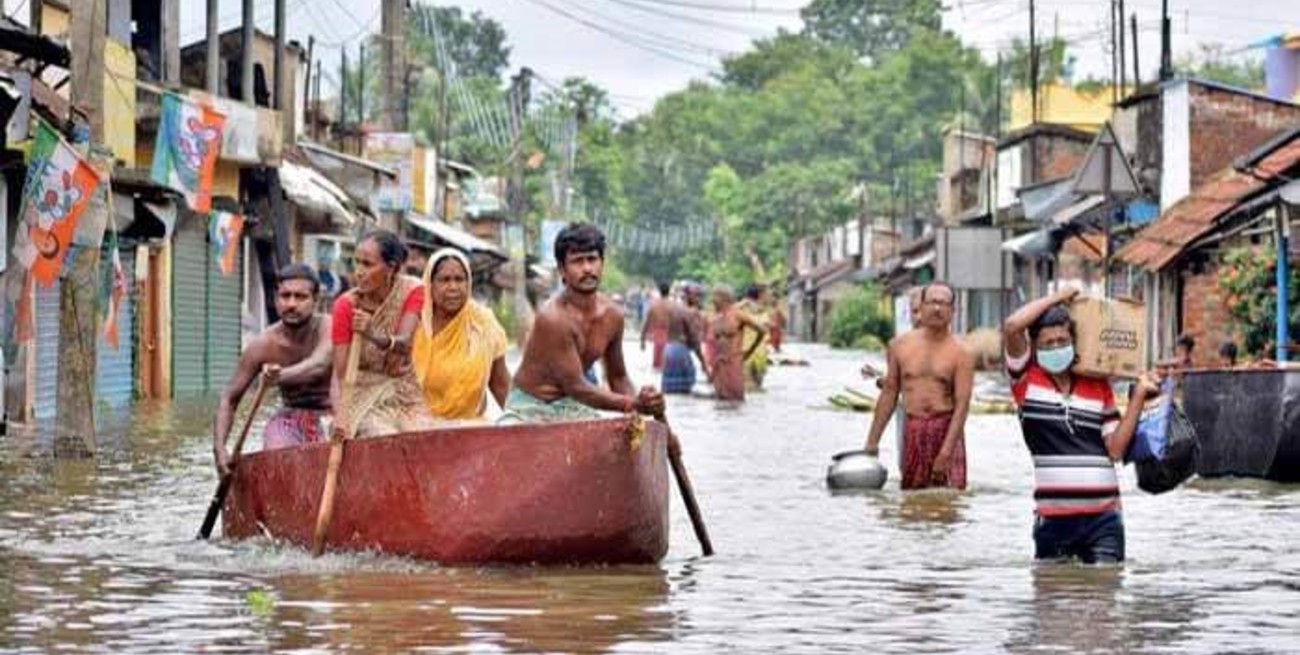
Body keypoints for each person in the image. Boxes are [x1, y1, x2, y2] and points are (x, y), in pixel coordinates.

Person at [1003, 288, 1161, 564]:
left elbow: (1115, 450)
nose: (1055, 347)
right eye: (1047, 343)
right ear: (1035, 348)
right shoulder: (1026, 382)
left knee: (1103, 594)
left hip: (1104, 520)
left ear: (1074, 343)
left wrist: (1136, 399)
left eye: (1062, 340)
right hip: (1053, 523)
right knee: (1052, 601)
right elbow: (1012, 326)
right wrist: (1057, 297)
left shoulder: (1098, 386)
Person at [505, 223, 664, 423]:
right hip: (529, 407)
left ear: (602, 263)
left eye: (592, 259)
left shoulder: (613, 315)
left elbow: (618, 377)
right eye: (577, 261)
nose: (587, 268)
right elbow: (577, 387)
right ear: (562, 269)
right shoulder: (552, 318)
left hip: (571, 406)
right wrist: (630, 405)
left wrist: (643, 408)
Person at [213, 265, 333, 475]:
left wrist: (279, 376)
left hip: (335, 415)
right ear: (276, 299)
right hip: (292, 418)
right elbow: (229, 399)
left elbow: (319, 365)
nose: (291, 304)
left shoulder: (328, 327)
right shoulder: (263, 345)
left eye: (300, 297)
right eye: (285, 296)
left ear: (316, 300)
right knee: (278, 459)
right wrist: (219, 448)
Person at [863, 282, 975, 490]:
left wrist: (946, 452)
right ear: (920, 308)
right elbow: (889, 394)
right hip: (913, 428)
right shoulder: (899, 346)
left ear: (953, 311)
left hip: (946, 430)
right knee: (912, 501)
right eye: (932, 302)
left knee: (948, 502)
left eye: (943, 304)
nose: (937, 309)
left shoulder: (962, 353)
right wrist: (872, 442)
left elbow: (962, 406)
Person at [330, 230, 436, 438]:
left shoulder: (413, 290)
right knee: (382, 437)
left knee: (425, 438)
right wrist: (340, 415)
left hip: (404, 391)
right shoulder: (345, 305)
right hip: (361, 395)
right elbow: (340, 373)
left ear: (392, 267)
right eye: (357, 263)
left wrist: (372, 333)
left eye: (368, 264)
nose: (359, 272)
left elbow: (405, 344)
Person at [411, 248, 510, 422]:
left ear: (468, 282)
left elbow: (500, 385)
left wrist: (517, 428)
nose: (453, 287)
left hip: (469, 430)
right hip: (417, 429)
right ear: (430, 284)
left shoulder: (483, 323)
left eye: (459, 279)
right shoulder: (414, 323)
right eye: (444, 280)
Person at [709, 285, 767, 404]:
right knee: (720, 402)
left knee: (736, 400)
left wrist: (749, 351)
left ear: (724, 298)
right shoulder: (714, 317)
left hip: (734, 362)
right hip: (719, 365)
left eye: (715, 296)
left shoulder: (738, 315)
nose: (712, 300)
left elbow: (761, 330)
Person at [662, 283, 712, 394]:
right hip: (680, 352)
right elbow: (694, 341)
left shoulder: (674, 308)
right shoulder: (689, 312)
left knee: (670, 392)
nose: (700, 299)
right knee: (685, 392)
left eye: (701, 296)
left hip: (668, 351)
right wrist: (704, 364)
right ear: (689, 296)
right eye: (697, 296)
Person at [737, 284, 772, 390]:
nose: (770, 296)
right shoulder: (742, 309)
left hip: (760, 354)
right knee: (748, 388)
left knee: (757, 389)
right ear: (761, 295)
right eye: (768, 293)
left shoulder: (763, 310)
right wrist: (743, 302)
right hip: (746, 353)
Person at [642, 281, 673, 371]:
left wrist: (642, 339)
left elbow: (646, 323)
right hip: (670, 335)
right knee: (667, 365)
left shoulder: (654, 306)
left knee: (657, 365)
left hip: (658, 334)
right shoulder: (673, 306)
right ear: (669, 291)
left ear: (659, 291)